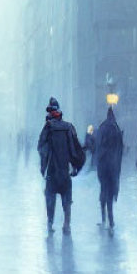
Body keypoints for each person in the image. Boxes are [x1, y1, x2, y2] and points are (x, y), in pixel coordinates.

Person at [37, 97, 85, 235]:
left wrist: (43, 168)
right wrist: (76, 166)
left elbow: (41, 147)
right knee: (67, 198)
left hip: (52, 172)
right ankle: (66, 224)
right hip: (64, 172)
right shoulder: (68, 127)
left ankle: (50, 223)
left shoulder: (48, 128)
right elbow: (75, 149)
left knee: (50, 197)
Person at [95, 107, 124, 231]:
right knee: (111, 193)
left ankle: (104, 219)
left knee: (103, 190)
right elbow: (120, 150)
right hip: (113, 165)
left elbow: (97, 145)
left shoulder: (102, 127)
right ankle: (111, 221)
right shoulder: (116, 129)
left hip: (103, 165)